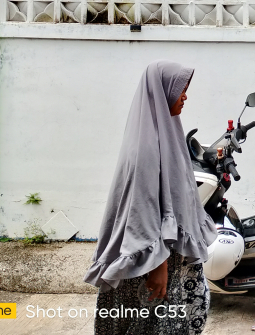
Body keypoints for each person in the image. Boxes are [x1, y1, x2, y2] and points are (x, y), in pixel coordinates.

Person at [84, 61, 218, 335]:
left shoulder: (166, 135)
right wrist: (157, 265)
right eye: (180, 90)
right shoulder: (147, 148)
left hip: (169, 256)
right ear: (162, 91)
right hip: (154, 261)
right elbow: (143, 210)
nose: (185, 96)